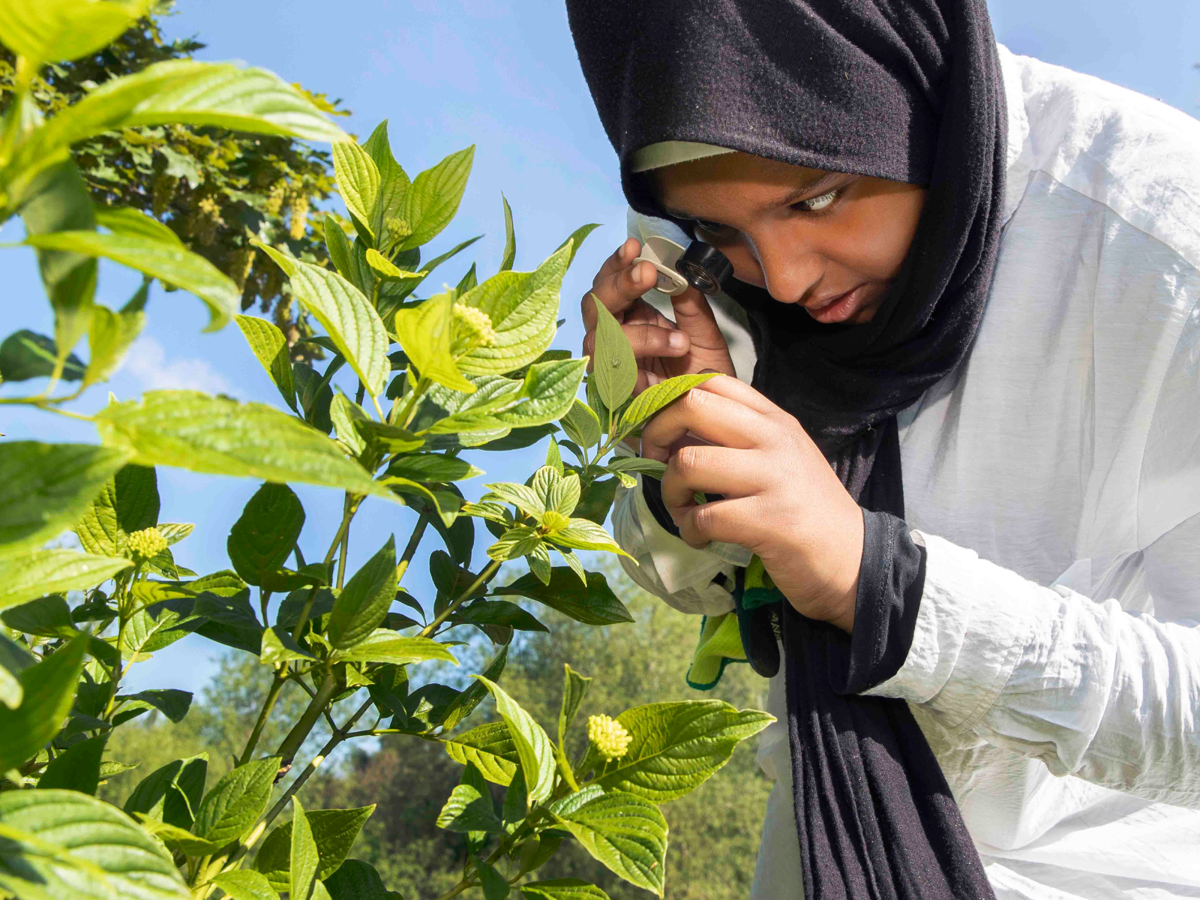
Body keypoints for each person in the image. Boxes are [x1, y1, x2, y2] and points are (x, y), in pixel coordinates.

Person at [565, 2, 1200, 899]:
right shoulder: (724, 259)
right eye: (723, 234)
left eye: (818, 199)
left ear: (906, 86)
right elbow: (690, 578)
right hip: (826, 856)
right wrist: (683, 455)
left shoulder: (1163, 249)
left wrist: (889, 591)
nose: (784, 278)